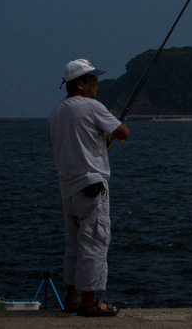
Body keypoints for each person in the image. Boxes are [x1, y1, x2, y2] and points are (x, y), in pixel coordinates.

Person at [48, 59, 129, 317]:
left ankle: (71, 298)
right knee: (94, 244)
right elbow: (123, 132)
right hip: (92, 187)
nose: (97, 83)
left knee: (73, 247)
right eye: (93, 79)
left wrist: (98, 140)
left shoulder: (56, 112)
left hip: (68, 191)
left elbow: (64, 145)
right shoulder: (92, 107)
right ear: (80, 84)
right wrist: (106, 138)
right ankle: (89, 302)